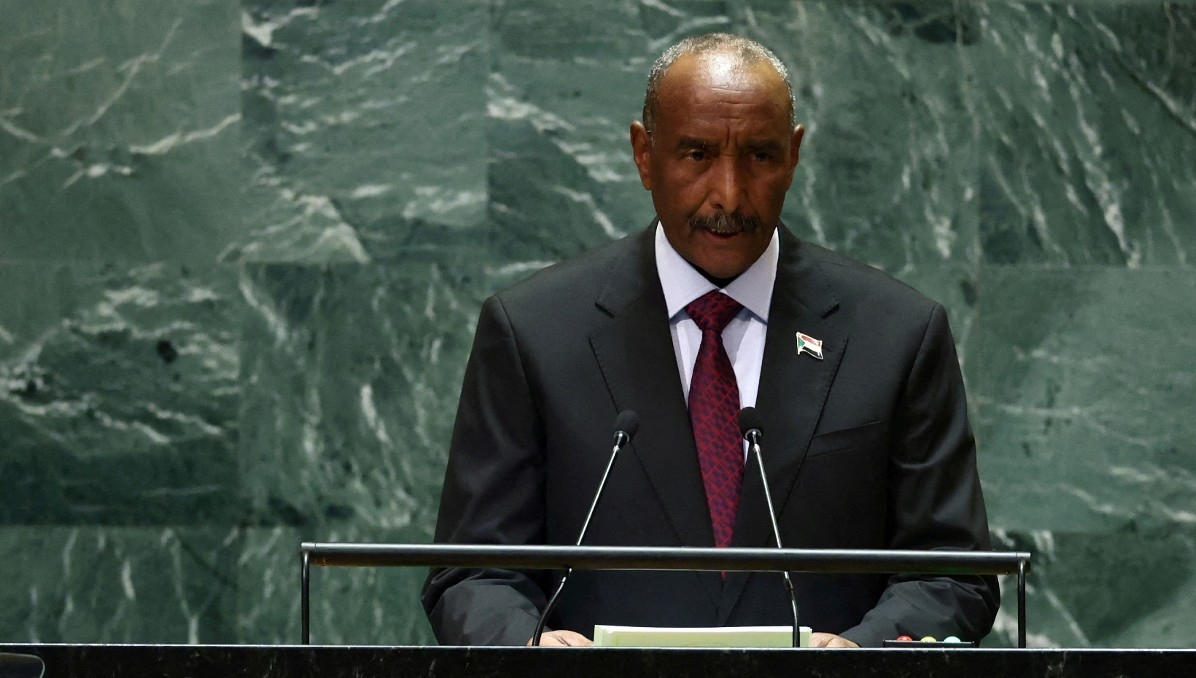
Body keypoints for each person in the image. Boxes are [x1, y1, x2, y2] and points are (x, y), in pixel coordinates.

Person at [422, 33, 999, 647]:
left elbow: (952, 571)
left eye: (759, 156)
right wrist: (535, 648)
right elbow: (472, 572)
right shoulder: (534, 332)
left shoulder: (896, 334)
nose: (728, 193)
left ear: (795, 155)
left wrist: (863, 653)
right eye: (697, 154)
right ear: (644, 155)